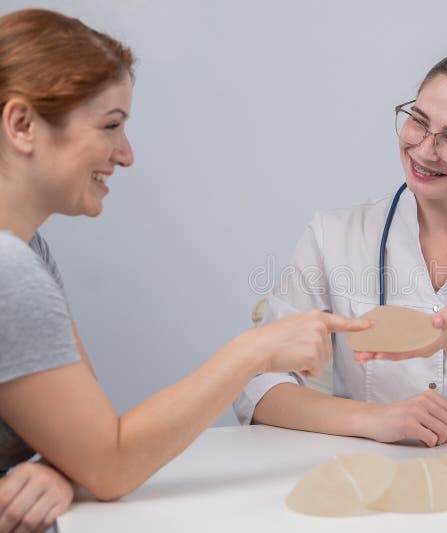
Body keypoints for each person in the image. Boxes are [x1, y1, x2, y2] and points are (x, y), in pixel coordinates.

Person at [0, 8, 370, 530]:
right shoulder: (8, 270)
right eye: (110, 126)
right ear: (21, 125)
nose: (126, 155)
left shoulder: (29, 250)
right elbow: (111, 462)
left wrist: (60, 467)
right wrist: (256, 351)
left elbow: (88, 439)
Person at [234, 47, 447, 448]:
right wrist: (377, 420)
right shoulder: (334, 235)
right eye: (418, 122)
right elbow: (258, 385)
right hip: (367, 474)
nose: (425, 150)